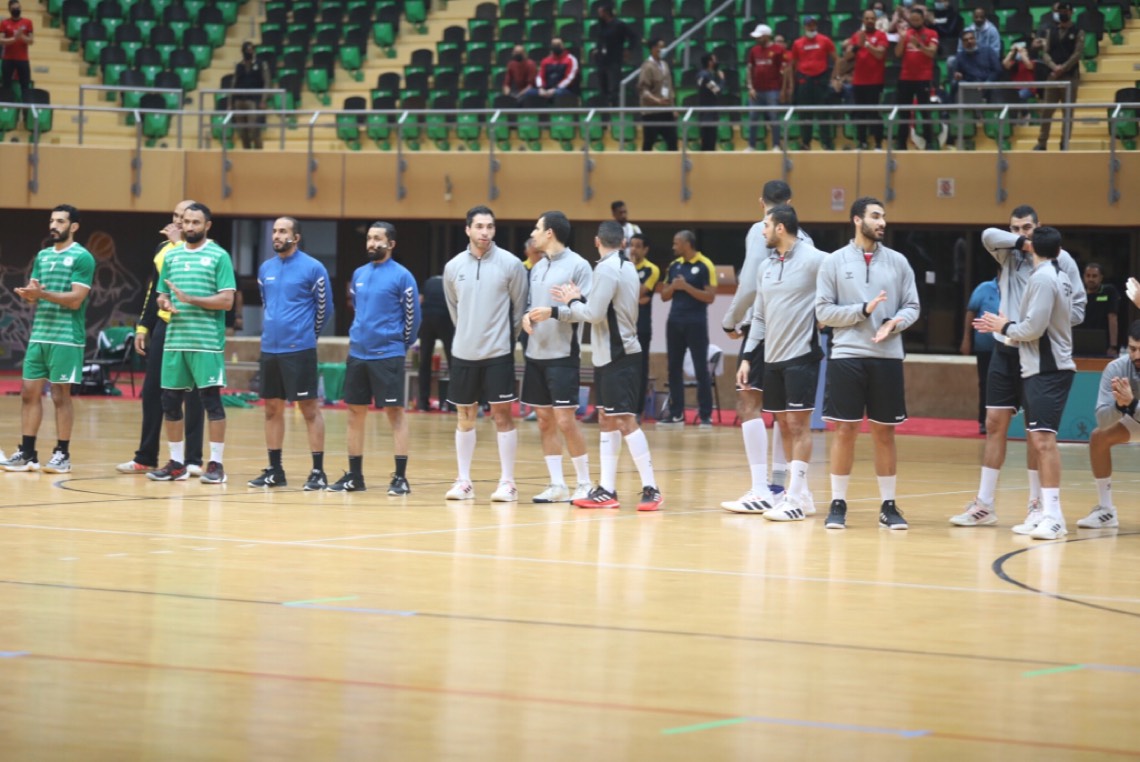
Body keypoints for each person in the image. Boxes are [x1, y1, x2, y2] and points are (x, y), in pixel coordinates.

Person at [949, 205, 1085, 529]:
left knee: (1035, 432)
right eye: (1015, 228)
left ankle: (1038, 506)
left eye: (1027, 228)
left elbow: (1078, 309)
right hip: (1004, 349)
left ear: (1039, 227)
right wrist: (1022, 243)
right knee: (994, 422)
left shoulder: (1060, 261)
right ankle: (984, 504)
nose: (1021, 233)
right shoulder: (1009, 252)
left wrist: (1041, 319)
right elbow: (987, 235)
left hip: (1036, 351)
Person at [526, 220, 664, 512]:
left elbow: (594, 314)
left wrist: (565, 305)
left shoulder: (605, 268)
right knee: (607, 419)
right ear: (623, 243)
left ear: (597, 242)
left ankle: (651, 488)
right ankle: (607, 490)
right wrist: (577, 300)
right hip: (610, 354)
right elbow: (603, 306)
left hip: (618, 354)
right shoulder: (627, 266)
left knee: (625, 420)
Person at [816, 197, 921, 530]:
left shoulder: (899, 262)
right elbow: (823, 312)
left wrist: (893, 323)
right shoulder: (833, 262)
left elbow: (913, 306)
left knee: (884, 433)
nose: (882, 222)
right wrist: (862, 310)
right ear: (857, 220)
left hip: (887, 357)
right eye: (875, 216)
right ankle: (838, 503)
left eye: (883, 216)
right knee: (845, 430)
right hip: (846, 355)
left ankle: (888, 506)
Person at [973, 226, 1074, 540]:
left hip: (1047, 368)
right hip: (1043, 367)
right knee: (1040, 439)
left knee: (1043, 441)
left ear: (1032, 249)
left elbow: (1033, 328)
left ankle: (1053, 516)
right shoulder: (1059, 275)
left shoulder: (1042, 278)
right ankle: (1044, 514)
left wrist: (1003, 325)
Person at [721, 180, 812, 511]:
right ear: (790, 201)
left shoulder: (760, 229)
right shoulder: (808, 239)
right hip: (795, 333)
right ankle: (781, 487)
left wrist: (730, 320)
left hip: (765, 327)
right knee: (783, 412)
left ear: (762, 202)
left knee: (749, 402)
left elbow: (749, 284)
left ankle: (762, 489)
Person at [735, 205, 826, 522]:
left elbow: (839, 283)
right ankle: (801, 495)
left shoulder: (815, 259)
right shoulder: (766, 266)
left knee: (799, 425)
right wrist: (747, 357)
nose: (762, 231)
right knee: (784, 424)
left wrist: (828, 313)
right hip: (771, 358)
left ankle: (796, 499)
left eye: (766, 225)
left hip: (802, 356)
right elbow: (759, 317)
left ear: (781, 228)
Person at [442, 206, 529, 502]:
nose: (485, 232)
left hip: (498, 352)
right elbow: (454, 309)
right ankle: (464, 481)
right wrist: (468, 334)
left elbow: (519, 310)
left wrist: (505, 339)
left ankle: (508, 482)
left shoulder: (511, 264)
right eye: (479, 226)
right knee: (464, 416)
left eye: (490, 226)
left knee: (502, 416)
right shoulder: (453, 267)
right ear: (468, 229)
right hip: (463, 353)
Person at [329, 222, 421, 494]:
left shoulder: (402, 276)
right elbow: (358, 309)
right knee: (354, 413)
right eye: (369, 238)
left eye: (377, 239)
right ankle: (355, 476)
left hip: (388, 354)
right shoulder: (359, 274)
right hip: (358, 353)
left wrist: (399, 344)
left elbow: (413, 318)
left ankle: (400, 478)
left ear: (391, 244)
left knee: (395, 413)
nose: (371, 243)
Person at [148, 203, 236, 484]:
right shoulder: (172, 256)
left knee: (211, 402)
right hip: (176, 341)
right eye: (186, 222)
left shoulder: (219, 256)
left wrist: (191, 299)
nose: (189, 227)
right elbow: (161, 295)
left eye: (195, 222)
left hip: (206, 342)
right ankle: (176, 464)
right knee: (170, 402)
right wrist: (166, 303)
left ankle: (216, 465)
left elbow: (227, 301)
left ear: (207, 225)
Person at [2, 205, 94, 474]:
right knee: (28, 393)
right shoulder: (42, 256)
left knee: (60, 395)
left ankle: (62, 454)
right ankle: (27, 453)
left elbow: (76, 300)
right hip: (40, 334)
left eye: (60, 221)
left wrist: (42, 295)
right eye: (52, 220)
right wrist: (30, 295)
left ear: (73, 226)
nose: (54, 225)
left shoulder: (83, 257)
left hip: (67, 337)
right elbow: (37, 294)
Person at [117, 200, 206, 476]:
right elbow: (153, 292)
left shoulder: (205, 251)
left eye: (186, 218)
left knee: (192, 395)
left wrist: (179, 243)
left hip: (193, 328)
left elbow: (195, 281)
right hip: (165, 326)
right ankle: (146, 456)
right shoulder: (162, 249)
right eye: (176, 216)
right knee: (153, 391)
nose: (179, 222)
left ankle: (193, 459)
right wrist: (143, 327)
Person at [248, 216, 331, 491]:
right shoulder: (266, 269)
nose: (276, 236)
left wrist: (307, 335)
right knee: (272, 409)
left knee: (309, 410)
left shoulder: (313, 268)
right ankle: (275, 470)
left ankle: (317, 472)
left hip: (300, 349)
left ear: (295, 237)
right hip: (270, 348)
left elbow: (324, 308)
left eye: (283, 231)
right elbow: (267, 303)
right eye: (274, 231)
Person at [521, 211, 594, 503]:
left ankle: (585, 483)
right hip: (535, 353)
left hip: (563, 354)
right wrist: (527, 316)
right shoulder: (537, 267)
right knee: (543, 420)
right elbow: (531, 304)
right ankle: (557, 485)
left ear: (549, 232)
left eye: (537, 228)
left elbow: (585, 311)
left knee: (565, 420)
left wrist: (553, 312)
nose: (533, 234)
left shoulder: (579, 266)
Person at [1083, 320, 1140, 529]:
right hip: (1135, 419)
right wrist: (1118, 405)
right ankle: (1106, 510)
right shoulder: (1116, 368)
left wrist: (1132, 403)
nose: (1137, 355)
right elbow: (1102, 420)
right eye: (1133, 349)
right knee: (1098, 437)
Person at [660, 230, 717, 426]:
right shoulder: (674, 266)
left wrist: (686, 287)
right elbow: (664, 295)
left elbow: (710, 297)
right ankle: (676, 414)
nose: (673, 247)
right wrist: (674, 287)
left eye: (676, 243)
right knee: (673, 368)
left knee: (701, 368)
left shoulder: (705, 264)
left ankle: (705, 415)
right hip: (674, 321)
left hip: (696, 322)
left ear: (687, 244)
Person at [1034, 2, 1083, 151]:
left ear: (1071, 13)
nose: (1061, 14)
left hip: (1070, 76)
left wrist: (1064, 68)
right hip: (1053, 75)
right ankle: (1042, 143)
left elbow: (1077, 54)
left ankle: (1064, 143)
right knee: (1046, 110)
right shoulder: (1051, 30)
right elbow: (1045, 52)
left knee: (1067, 112)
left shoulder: (1078, 31)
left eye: (1064, 11)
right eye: (1059, 11)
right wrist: (1054, 67)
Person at [785, 15, 836, 150]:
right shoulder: (797, 43)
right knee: (804, 114)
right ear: (804, 27)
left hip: (821, 80)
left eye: (813, 24)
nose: (811, 27)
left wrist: (835, 79)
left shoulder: (825, 40)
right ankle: (806, 143)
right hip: (804, 80)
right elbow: (792, 65)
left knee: (823, 113)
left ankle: (827, 143)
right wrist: (791, 85)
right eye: (809, 25)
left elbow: (837, 60)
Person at [843, 9, 889, 150]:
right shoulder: (856, 36)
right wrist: (858, 45)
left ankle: (878, 143)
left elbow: (880, 54)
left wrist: (867, 45)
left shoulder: (881, 35)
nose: (869, 21)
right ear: (863, 20)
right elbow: (847, 57)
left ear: (875, 20)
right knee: (860, 113)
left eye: (872, 18)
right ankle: (862, 142)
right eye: (867, 18)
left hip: (875, 82)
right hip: (859, 82)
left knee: (874, 113)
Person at [894, 6, 939, 151]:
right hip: (905, 78)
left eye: (917, 20)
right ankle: (901, 144)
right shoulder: (906, 33)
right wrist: (902, 39)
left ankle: (929, 143)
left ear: (923, 19)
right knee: (904, 113)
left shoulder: (931, 33)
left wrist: (919, 44)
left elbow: (931, 53)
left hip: (923, 78)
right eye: (912, 20)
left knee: (925, 112)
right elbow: (897, 54)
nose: (914, 22)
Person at [960, 274, 1000, 435]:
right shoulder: (984, 288)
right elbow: (971, 312)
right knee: (985, 383)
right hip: (985, 346)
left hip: (1007, 346)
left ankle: (1005, 421)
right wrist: (966, 339)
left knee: (1004, 384)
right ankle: (983, 421)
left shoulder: (1017, 288)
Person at [416, 271, 455, 411]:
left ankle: (422, 402)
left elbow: (419, 300)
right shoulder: (451, 282)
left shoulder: (429, 282)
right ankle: (452, 403)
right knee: (452, 361)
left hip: (426, 320)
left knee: (424, 361)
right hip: (445, 318)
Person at [745, 23, 786, 152]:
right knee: (753, 117)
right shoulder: (754, 50)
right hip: (756, 90)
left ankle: (776, 145)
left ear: (767, 36)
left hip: (772, 89)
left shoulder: (778, 50)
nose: (757, 39)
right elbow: (749, 69)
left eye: (760, 36)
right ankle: (751, 145)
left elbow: (784, 71)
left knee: (774, 117)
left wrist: (783, 89)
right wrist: (750, 87)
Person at [630, 233, 658, 419]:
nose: (633, 249)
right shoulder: (624, 266)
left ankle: (637, 410)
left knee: (640, 368)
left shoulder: (651, 269)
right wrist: (637, 298)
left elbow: (639, 292)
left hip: (642, 326)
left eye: (638, 246)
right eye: (632, 245)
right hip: (624, 325)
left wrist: (636, 296)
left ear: (645, 249)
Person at [593, 1, 638, 106]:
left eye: (600, 12)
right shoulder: (601, 25)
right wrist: (597, 49)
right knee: (602, 82)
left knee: (614, 83)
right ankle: (604, 105)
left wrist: (628, 49)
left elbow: (633, 37)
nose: (599, 15)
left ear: (606, 12)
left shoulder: (619, 25)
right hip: (602, 59)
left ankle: (614, 104)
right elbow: (600, 40)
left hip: (615, 58)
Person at [637, 37, 677, 151]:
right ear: (653, 49)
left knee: (672, 141)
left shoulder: (665, 65)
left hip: (666, 111)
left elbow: (669, 87)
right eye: (661, 47)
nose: (663, 50)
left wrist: (673, 107)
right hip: (651, 112)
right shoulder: (647, 67)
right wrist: (657, 100)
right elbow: (643, 90)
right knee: (649, 142)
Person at [233, 41, 270, 150]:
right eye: (246, 50)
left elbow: (267, 82)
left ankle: (259, 153)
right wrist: (231, 102)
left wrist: (264, 99)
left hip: (253, 100)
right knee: (242, 131)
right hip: (239, 100)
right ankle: (247, 152)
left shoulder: (261, 64)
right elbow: (234, 83)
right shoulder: (239, 66)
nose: (248, 52)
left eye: (250, 50)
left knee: (253, 129)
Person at [1078, 263, 1120, 358]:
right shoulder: (1078, 293)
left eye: (1094, 276)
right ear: (1084, 276)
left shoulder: (1109, 291)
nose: (1091, 279)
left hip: (1103, 342)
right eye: (1088, 276)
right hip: (1080, 339)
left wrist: (1113, 346)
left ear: (1101, 277)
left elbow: (1112, 317)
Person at [952, 29, 1001, 102]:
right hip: (970, 85)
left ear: (975, 39)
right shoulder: (960, 56)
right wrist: (958, 75)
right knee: (956, 84)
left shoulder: (988, 50)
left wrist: (986, 83)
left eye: (971, 38)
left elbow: (997, 70)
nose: (969, 41)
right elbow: (957, 72)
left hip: (987, 82)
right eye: (966, 40)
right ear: (962, 43)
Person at [0, 0, 33, 101]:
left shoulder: (27, 22)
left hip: (23, 59)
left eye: (18, 8)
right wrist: (14, 39)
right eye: (14, 8)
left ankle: (25, 109)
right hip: (8, 59)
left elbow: (31, 40)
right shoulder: (4, 23)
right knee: (6, 85)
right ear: (10, 10)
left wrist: (21, 36)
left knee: (25, 86)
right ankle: (6, 109)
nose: (16, 10)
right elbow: (1, 40)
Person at [696, 53, 724, 152]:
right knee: (709, 143)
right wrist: (722, 79)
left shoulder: (701, 74)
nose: (716, 62)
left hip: (705, 113)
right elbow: (717, 90)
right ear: (710, 62)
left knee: (706, 142)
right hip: (709, 115)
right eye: (714, 60)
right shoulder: (706, 76)